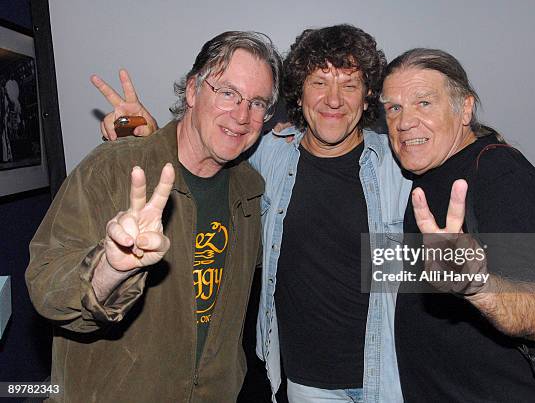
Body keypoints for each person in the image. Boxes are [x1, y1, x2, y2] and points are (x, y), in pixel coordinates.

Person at [96, 24, 411, 403]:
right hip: (307, 382)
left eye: (349, 84)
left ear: (367, 97)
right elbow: (204, 149)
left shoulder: (398, 164)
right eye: (319, 82)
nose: (333, 99)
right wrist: (151, 137)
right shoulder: (268, 154)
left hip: (393, 374)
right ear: (299, 93)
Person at [26, 31, 282, 403]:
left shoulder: (250, 192)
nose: (242, 115)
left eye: (257, 103)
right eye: (227, 92)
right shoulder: (112, 170)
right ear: (193, 91)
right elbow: (45, 285)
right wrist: (110, 270)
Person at [380, 48, 535, 401]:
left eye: (424, 103)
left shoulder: (500, 174)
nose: (404, 122)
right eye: (394, 108)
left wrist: (476, 285)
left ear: (464, 108)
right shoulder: (426, 171)